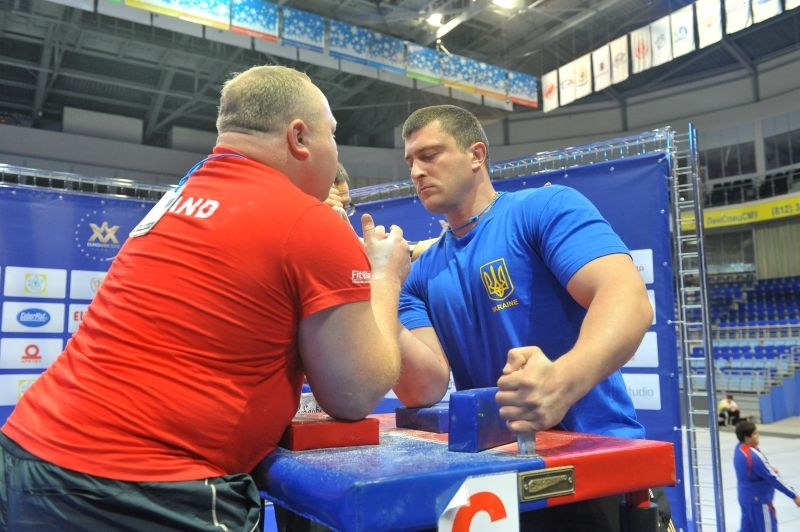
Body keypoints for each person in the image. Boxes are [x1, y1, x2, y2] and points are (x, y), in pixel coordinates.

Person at [0, 65, 410, 530]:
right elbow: (354, 394)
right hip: (140, 492)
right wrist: (385, 276)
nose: (336, 150)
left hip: (27, 459)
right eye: (333, 134)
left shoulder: (175, 201)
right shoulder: (307, 220)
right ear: (299, 137)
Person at [394, 105, 660, 530]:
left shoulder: (543, 208)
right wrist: (378, 285)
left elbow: (626, 296)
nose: (416, 172)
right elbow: (423, 387)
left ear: (476, 154)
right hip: (493, 479)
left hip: (592, 465)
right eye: (410, 162)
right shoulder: (419, 276)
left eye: (429, 155)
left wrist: (562, 381)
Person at [734, 420, 800, 531]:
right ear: (747, 437)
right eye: (755, 433)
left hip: (745, 498)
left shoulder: (739, 448)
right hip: (759, 502)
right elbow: (774, 479)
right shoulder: (753, 457)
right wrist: (794, 495)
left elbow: (752, 470)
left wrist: (767, 469)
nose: (758, 435)